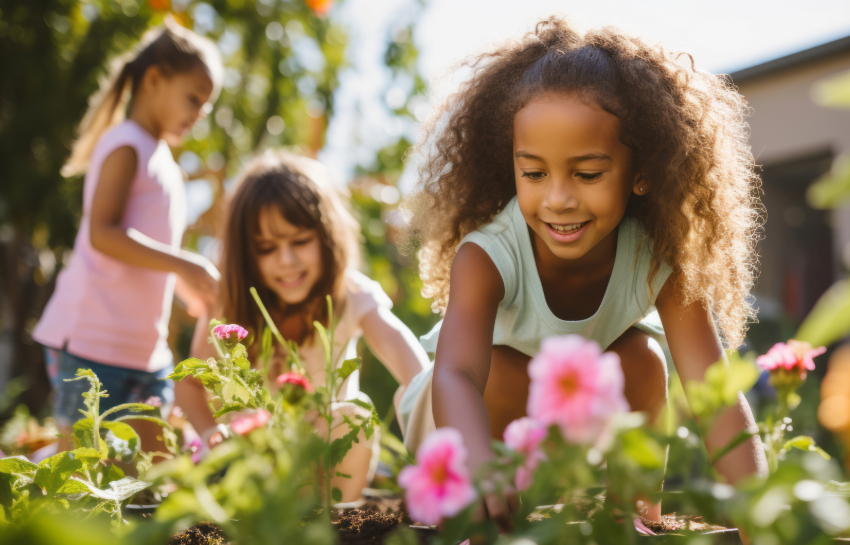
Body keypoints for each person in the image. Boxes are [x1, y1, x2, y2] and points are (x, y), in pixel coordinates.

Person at [399, 16, 768, 527]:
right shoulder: (485, 256)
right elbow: (458, 375)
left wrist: (763, 518)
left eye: (587, 174)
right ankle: (478, 524)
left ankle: (635, 521)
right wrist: (477, 465)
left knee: (643, 359)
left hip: (559, 422)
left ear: (641, 173)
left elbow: (714, 395)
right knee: (504, 371)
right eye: (533, 173)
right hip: (456, 423)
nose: (557, 199)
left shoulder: (658, 257)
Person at [177, 151, 429, 502]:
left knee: (353, 415)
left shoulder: (351, 295)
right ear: (246, 254)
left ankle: (336, 527)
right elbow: (189, 387)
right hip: (255, 469)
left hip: (327, 473)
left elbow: (417, 374)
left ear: (327, 236)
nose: (287, 261)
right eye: (267, 248)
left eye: (300, 242)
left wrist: (432, 430)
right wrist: (210, 436)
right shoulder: (231, 304)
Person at [34, 20, 224, 457]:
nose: (199, 113)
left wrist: (185, 288)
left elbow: (146, 256)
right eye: (193, 98)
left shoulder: (166, 166)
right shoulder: (126, 144)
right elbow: (103, 234)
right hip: (89, 345)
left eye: (206, 105)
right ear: (155, 79)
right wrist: (184, 264)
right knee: (78, 471)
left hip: (143, 353)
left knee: (151, 470)